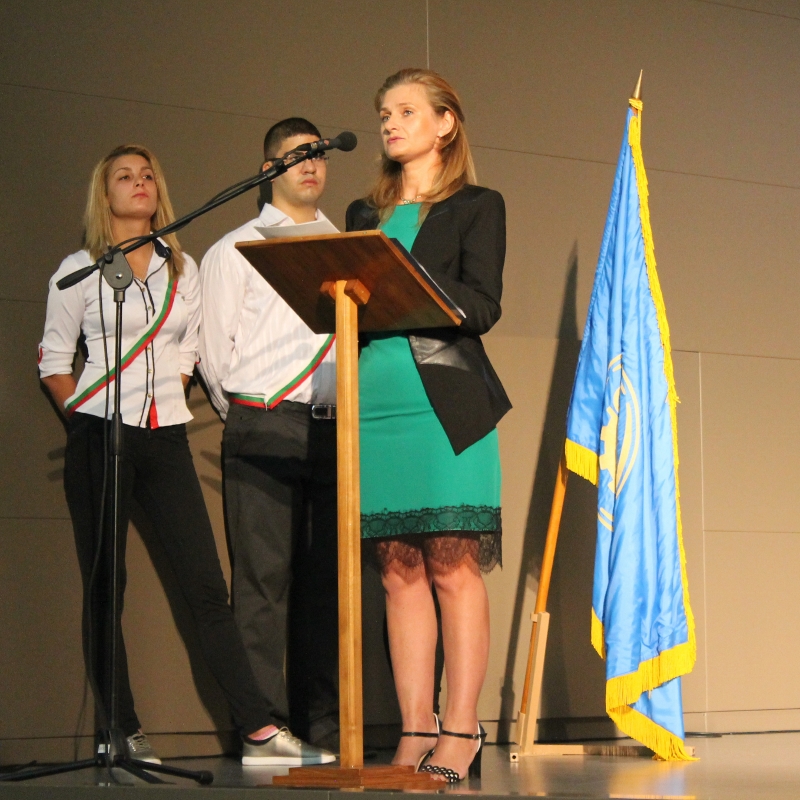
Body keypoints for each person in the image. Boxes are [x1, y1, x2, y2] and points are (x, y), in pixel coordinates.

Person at [38, 144, 334, 767]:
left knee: (206, 588)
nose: (139, 183)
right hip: (100, 434)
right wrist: (87, 421)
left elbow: (186, 353)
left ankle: (258, 730)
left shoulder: (183, 267)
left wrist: (162, 398)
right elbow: (54, 362)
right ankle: (120, 730)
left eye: (148, 175)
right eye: (125, 176)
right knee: (106, 587)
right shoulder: (78, 269)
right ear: (104, 194)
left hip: (164, 436)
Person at [345, 69, 511, 783]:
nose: (390, 123)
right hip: (374, 402)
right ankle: (415, 728)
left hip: (443, 402)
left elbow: (482, 306)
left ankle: (461, 729)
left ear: (445, 124)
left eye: (406, 111)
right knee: (398, 572)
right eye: (384, 113)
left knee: (451, 565)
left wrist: (405, 278)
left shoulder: (478, 205)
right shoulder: (363, 212)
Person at [197, 118, 339, 750]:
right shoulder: (235, 249)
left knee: (325, 586)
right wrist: (254, 411)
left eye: (318, 155)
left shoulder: (347, 245)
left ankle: (324, 725)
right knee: (261, 584)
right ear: (268, 171)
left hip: (332, 430)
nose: (310, 164)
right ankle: (264, 728)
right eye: (295, 155)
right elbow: (213, 356)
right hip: (262, 422)